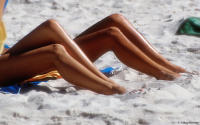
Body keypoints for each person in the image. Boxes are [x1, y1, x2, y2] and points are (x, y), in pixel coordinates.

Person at [0, 0, 186, 95]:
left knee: (113, 27)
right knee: (55, 48)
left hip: (6, 55)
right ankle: (109, 87)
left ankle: (167, 70)